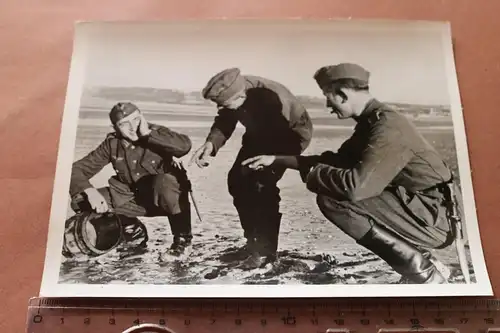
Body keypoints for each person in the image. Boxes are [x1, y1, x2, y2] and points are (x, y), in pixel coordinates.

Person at [242, 63, 461, 284]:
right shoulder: (373, 121)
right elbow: (339, 162)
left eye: (329, 97)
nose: (328, 105)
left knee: (336, 199)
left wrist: (313, 174)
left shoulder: (386, 127)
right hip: (425, 209)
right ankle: (422, 263)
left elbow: (356, 187)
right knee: (337, 190)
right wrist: (279, 160)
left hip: (438, 219)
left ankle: (423, 273)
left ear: (343, 95)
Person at [189, 68, 313, 269]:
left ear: (241, 96)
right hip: (258, 136)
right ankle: (253, 242)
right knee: (237, 181)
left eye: (225, 103)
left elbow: (280, 133)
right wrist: (211, 144)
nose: (223, 107)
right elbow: (226, 117)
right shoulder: (236, 91)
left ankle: (265, 252)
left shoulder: (272, 99)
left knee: (261, 185)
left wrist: (271, 162)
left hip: (288, 135)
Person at [69, 102, 194, 256]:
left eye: (136, 120)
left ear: (142, 117)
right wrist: (89, 191)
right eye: (124, 124)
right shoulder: (112, 144)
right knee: (81, 199)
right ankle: (131, 230)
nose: (132, 127)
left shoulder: (157, 133)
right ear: (115, 127)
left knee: (165, 182)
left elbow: (184, 146)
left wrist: (148, 134)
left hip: (164, 200)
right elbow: (76, 169)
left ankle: (182, 241)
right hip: (130, 199)